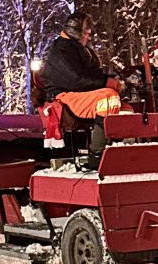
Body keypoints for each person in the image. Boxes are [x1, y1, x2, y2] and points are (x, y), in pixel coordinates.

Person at [41, 12, 122, 164]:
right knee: (109, 98)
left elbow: (89, 74)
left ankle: (122, 147)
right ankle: (97, 153)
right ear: (76, 32)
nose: (88, 37)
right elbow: (75, 80)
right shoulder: (63, 50)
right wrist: (105, 82)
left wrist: (112, 77)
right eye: (86, 33)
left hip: (79, 92)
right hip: (64, 95)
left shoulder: (76, 48)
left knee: (125, 106)